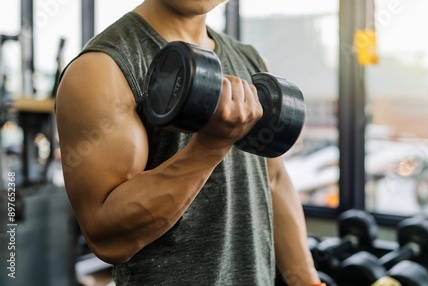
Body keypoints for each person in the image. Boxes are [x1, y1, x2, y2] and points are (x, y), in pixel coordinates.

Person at [55, 0, 321, 285]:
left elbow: (275, 180)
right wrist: (210, 146)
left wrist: (308, 281)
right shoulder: (100, 70)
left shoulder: (250, 60)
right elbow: (107, 238)